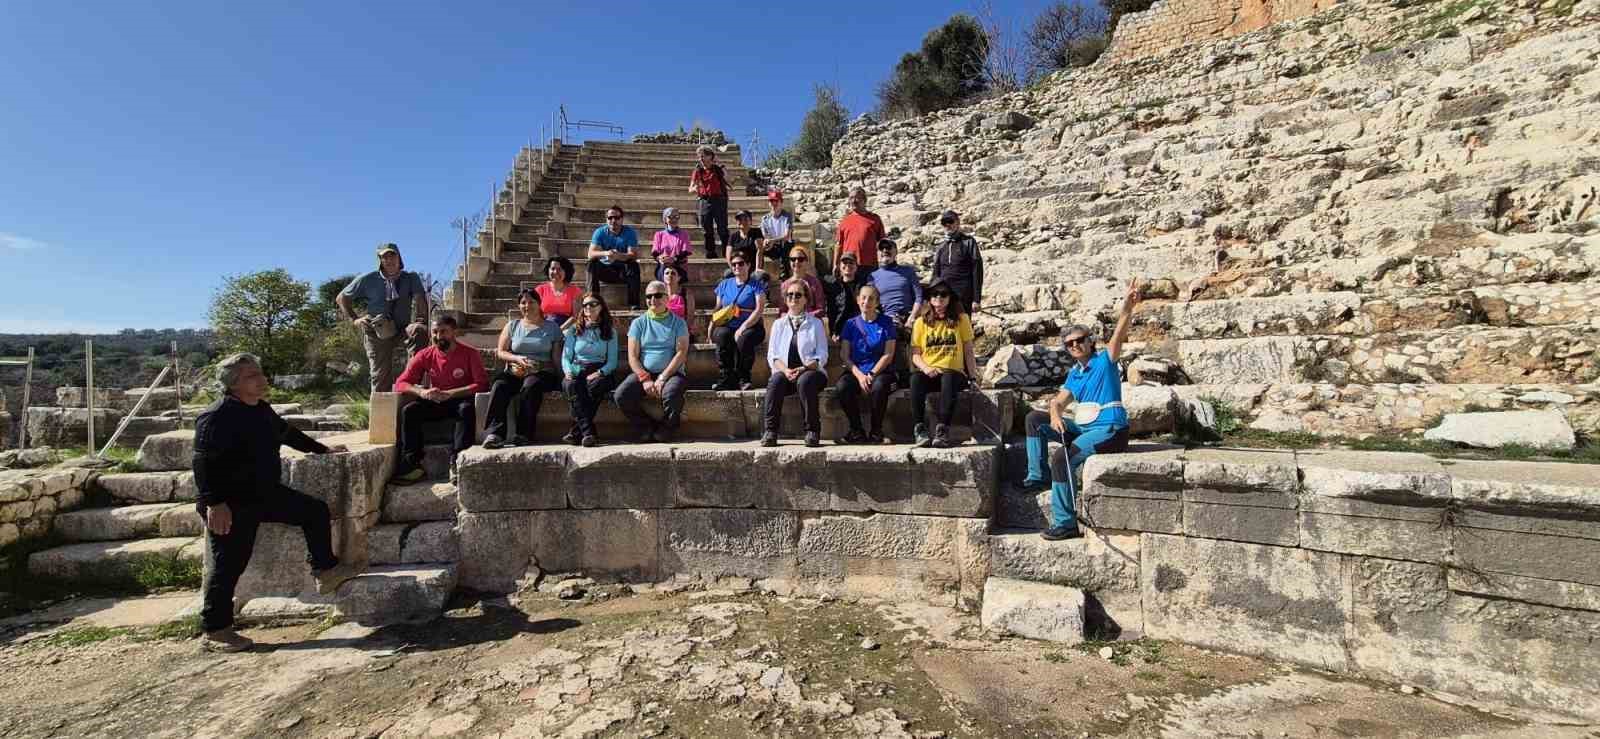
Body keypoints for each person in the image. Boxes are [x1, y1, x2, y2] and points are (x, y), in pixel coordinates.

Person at [192, 353, 363, 653]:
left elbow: (287, 434)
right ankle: (216, 630)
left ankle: (325, 569)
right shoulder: (217, 416)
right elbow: (202, 462)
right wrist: (214, 503)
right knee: (230, 564)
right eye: (252, 376)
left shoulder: (261, 409)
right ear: (234, 384)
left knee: (314, 511)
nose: (261, 379)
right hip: (230, 502)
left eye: (260, 373)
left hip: (263, 493)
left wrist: (321, 449)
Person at [1018, 279, 1139, 542]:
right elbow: (1057, 402)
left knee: (1061, 458)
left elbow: (1119, 333)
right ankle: (1037, 477)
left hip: (1110, 429)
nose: (1074, 346)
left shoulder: (1105, 361)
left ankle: (1065, 522)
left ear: (1090, 341)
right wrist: (1054, 415)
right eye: (1069, 344)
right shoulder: (1075, 373)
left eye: (1079, 341)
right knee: (1034, 419)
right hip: (1085, 427)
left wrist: (1127, 307)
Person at [391, 316, 488, 483]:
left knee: (466, 409)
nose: (438, 336)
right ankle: (412, 464)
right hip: (435, 400)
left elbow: (482, 384)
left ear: (454, 332)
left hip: (459, 400)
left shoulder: (470, 353)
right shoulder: (425, 354)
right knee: (410, 410)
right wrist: (421, 392)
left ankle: (458, 461)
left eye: (443, 331)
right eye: (435, 332)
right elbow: (401, 383)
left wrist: (452, 393)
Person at [337, 243, 430, 393]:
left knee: (419, 330)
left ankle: (411, 382)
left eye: (392, 255)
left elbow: (420, 300)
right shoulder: (368, 279)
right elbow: (341, 298)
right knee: (380, 378)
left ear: (399, 257)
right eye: (384, 257)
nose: (389, 260)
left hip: (401, 329)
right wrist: (355, 319)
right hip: (377, 332)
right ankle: (382, 413)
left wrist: (420, 320)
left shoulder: (411, 278)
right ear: (380, 260)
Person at [483, 288, 563, 449]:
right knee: (499, 385)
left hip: (541, 372)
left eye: (531, 302)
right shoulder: (512, 326)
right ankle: (495, 433)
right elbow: (501, 352)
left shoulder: (552, 328)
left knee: (530, 386)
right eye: (523, 303)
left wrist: (561, 378)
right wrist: (516, 358)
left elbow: (556, 357)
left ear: (539, 304)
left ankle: (523, 434)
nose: (527, 305)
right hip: (515, 370)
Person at [615, 281, 691, 442]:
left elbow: (681, 353)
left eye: (657, 295)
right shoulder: (638, 323)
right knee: (621, 395)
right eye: (649, 296)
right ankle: (646, 426)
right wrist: (645, 378)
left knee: (671, 394)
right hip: (645, 373)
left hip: (672, 373)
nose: (652, 299)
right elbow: (632, 356)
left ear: (667, 298)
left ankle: (668, 427)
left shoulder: (679, 322)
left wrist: (662, 378)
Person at [909, 278, 978, 449]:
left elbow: (968, 350)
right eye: (935, 294)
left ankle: (942, 429)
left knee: (948, 376)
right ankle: (920, 429)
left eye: (943, 295)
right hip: (930, 372)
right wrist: (926, 368)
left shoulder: (961, 319)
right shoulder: (920, 322)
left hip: (954, 374)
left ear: (950, 298)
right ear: (929, 299)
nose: (939, 299)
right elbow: (915, 355)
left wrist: (973, 377)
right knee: (916, 379)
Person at [762, 279, 828, 448]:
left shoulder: (816, 324)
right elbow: (773, 355)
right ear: (785, 299)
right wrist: (785, 370)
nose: (793, 298)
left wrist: (804, 368)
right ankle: (770, 431)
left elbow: (822, 355)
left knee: (805, 381)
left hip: (812, 373)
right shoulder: (778, 324)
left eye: (798, 295)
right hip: (786, 374)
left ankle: (812, 431)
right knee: (775, 381)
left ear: (806, 299)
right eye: (790, 295)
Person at [834, 285, 897, 444]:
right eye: (863, 297)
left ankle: (876, 431)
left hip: (880, 371)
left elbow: (888, 354)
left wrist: (871, 374)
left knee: (879, 386)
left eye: (871, 298)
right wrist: (860, 375)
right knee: (842, 387)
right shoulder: (850, 324)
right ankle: (856, 431)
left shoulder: (886, 322)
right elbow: (844, 355)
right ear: (857, 300)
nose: (866, 301)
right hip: (857, 371)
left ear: (877, 302)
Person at [561, 293, 620, 447]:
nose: (588, 307)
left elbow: (613, 362)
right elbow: (566, 357)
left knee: (595, 386)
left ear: (601, 307)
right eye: (585, 305)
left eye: (593, 304)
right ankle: (588, 433)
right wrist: (567, 371)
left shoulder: (609, 331)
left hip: (600, 369)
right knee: (571, 385)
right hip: (577, 368)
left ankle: (576, 432)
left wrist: (599, 373)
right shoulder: (574, 330)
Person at [711, 255, 768, 391]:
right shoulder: (724, 284)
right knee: (721, 335)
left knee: (744, 338)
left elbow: (759, 309)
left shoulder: (756, 285)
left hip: (752, 325)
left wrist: (743, 327)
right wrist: (711, 326)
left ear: (748, 265)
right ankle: (726, 377)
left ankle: (743, 378)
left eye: (740, 263)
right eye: (734, 264)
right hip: (728, 325)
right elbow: (718, 308)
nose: (737, 266)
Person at [871, 239, 923, 381]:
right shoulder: (873, 276)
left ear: (896, 251)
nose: (885, 251)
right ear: (877, 253)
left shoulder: (907, 271)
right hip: (886, 317)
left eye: (889, 248)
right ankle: (900, 376)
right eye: (882, 249)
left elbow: (919, 296)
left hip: (909, 315)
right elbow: (870, 301)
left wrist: (912, 317)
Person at [587, 205, 642, 310]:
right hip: (606, 271)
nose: (613, 220)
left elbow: (633, 255)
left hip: (623, 273)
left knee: (633, 265)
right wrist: (606, 253)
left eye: (617, 218)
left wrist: (618, 256)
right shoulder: (600, 232)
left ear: (622, 219)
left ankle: (634, 303)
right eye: (610, 218)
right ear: (606, 219)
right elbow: (590, 254)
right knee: (591, 264)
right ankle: (593, 300)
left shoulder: (629, 232)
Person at [932, 210, 984, 314]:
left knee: (963, 326)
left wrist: (976, 299)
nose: (947, 225)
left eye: (950, 221)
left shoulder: (968, 242)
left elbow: (977, 270)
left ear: (957, 222)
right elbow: (936, 273)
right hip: (944, 295)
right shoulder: (941, 247)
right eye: (944, 222)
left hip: (964, 295)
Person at [689, 145, 731, 260]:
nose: (701, 158)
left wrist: (720, 163)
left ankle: (726, 252)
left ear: (710, 156)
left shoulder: (718, 169)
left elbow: (728, 179)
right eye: (699, 156)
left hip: (719, 200)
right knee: (707, 228)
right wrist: (695, 189)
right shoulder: (698, 170)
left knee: (722, 228)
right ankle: (710, 252)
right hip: (705, 200)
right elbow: (690, 188)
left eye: (703, 156)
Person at [833, 187, 885, 272]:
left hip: (869, 266)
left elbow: (882, 243)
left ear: (864, 200)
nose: (853, 201)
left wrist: (884, 263)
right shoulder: (845, 220)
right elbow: (839, 244)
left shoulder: (874, 219)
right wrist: (835, 264)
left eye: (857, 197)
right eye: (851, 198)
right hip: (848, 266)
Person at [822, 252, 870, 339]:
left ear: (856, 266)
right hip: (840, 328)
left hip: (860, 326)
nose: (848, 265)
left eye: (851, 263)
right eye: (844, 263)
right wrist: (834, 331)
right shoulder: (832, 284)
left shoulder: (863, 284)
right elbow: (832, 310)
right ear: (839, 266)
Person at [783, 246, 826, 322]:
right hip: (791, 323)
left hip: (811, 323)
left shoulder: (815, 283)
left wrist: (804, 317)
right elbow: (782, 311)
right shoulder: (785, 285)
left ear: (806, 261)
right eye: (793, 259)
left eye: (800, 259)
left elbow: (821, 309)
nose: (796, 262)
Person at [759, 191, 795, 279]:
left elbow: (787, 236)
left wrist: (773, 240)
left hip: (785, 244)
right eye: (771, 201)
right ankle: (758, 273)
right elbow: (765, 234)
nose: (774, 204)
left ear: (781, 202)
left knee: (785, 248)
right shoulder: (765, 219)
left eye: (776, 201)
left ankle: (784, 277)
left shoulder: (787, 216)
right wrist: (768, 241)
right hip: (772, 245)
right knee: (758, 247)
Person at [651, 207, 693, 283]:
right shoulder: (659, 234)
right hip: (663, 265)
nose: (674, 219)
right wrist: (660, 259)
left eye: (676, 217)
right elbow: (655, 253)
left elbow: (685, 252)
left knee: (671, 274)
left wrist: (674, 259)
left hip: (679, 266)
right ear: (665, 219)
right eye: (670, 217)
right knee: (665, 270)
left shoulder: (684, 234)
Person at [537, 256, 582, 325]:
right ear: (548, 270)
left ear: (566, 271)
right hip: (544, 326)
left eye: (559, 269)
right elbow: (535, 314)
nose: (555, 272)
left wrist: (560, 329)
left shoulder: (575, 291)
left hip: (566, 328)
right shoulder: (540, 290)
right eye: (552, 269)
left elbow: (575, 316)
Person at [726, 209, 762, 276]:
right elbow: (728, 255)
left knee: (759, 276)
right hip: (738, 266)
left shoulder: (756, 232)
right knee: (727, 274)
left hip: (752, 266)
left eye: (745, 219)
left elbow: (759, 251)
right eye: (740, 220)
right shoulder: (733, 236)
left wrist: (757, 268)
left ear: (750, 221)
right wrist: (733, 268)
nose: (742, 222)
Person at [663, 263, 695, 327]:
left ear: (679, 278)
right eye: (667, 273)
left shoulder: (686, 294)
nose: (670, 275)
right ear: (663, 277)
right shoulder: (660, 294)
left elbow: (690, 317)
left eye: (673, 273)